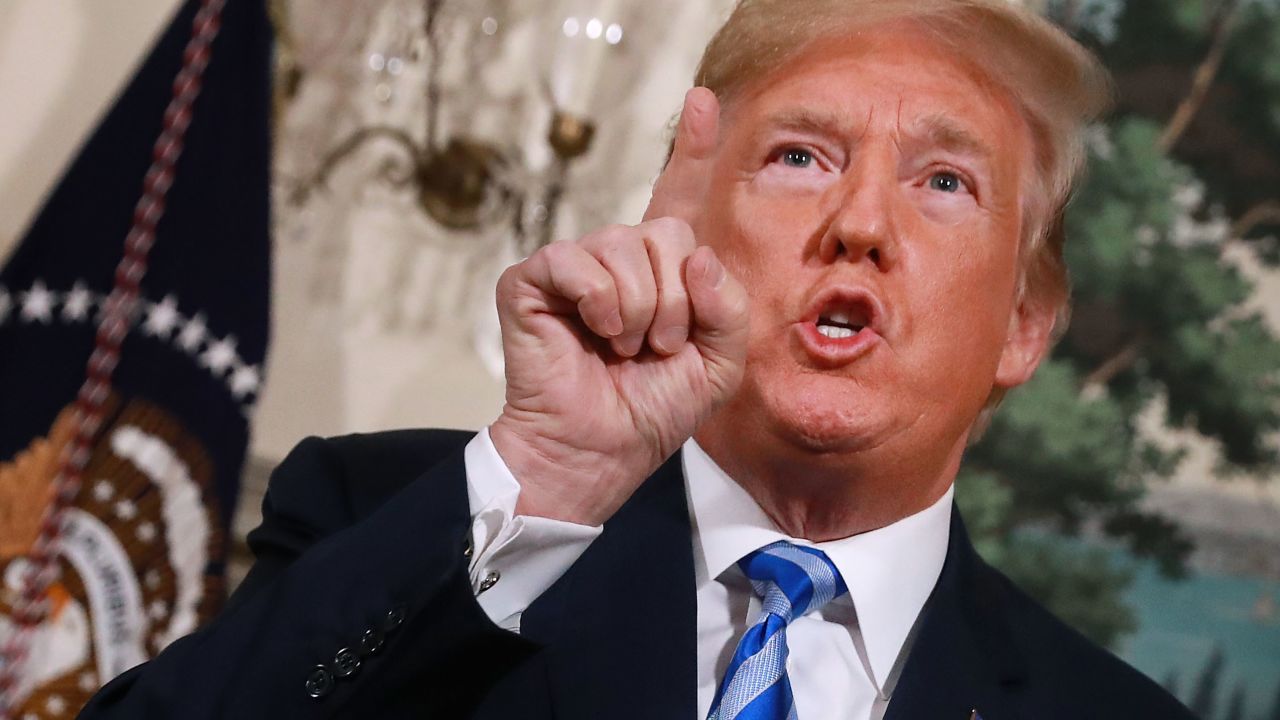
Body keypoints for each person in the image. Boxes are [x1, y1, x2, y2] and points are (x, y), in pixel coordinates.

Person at [79, 0, 1197, 718]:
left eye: (942, 181)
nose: (859, 223)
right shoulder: (383, 515)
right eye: (800, 156)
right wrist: (550, 474)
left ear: (1022, 325)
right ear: (686, 225)